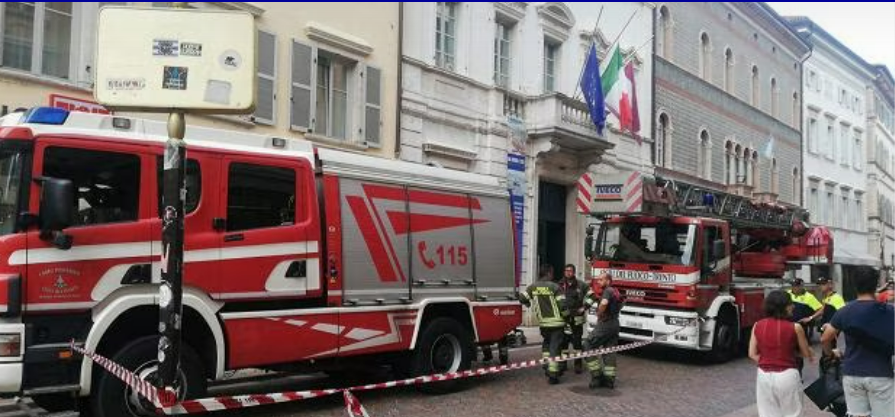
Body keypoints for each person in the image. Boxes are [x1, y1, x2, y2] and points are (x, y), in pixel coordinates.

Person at [821, 266, 894, 417]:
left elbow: (825, 338)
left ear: (855, 285)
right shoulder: (889, 311)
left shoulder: (845, 311)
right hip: (881, 374)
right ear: (876, 285)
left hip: (852, 374)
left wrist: (831, 353)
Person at [749, 290, 815, 417]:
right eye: (790, 303)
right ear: (783, 306)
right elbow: (805, 353)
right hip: (787, 374)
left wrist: (769, 360)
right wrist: (808, 352)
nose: (793, 306)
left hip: (763, 375)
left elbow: (752, 354)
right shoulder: (795, 327)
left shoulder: (757, 325)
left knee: (767, 413)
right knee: (792, 413)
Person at [519, 264, 568, 385]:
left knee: (546, 345)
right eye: (552, 273)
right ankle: (553, 375)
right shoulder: (555, 287)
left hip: (543, 324)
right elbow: (562, 305)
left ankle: (546, 367)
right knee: (555, 348)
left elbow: (521, 297)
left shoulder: (533, 287)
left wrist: (528, 304)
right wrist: (568, 317)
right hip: (557, 323)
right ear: (549, 273)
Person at [583, 272, 622, 389]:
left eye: (601, 280)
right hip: (614, 324)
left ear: (608, 281)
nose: (598, 282)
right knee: (609, 351)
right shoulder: (615, 291)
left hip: (605, 324)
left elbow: (604, 304)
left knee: (587, 345)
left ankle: (597, 376)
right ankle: (609, 380)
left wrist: (599, 313)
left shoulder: (607, 291)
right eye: (598, 280)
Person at [558, 264, 588, 374]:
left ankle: (578, 364)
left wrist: (584, 307)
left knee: (577, 343)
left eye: (570, 271)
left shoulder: (581, 285)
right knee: (564, 342)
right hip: (564, 318)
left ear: (574, 272)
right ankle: (563, 364)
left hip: (577, 319)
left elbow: (592, 296)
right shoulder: (560, 285)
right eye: (566, 271)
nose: (568, 273)